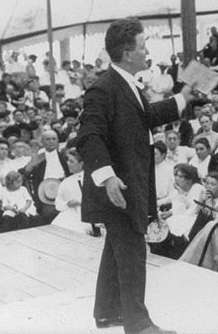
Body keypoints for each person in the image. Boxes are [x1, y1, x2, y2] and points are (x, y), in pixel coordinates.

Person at [77, 18, 195, 334]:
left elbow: (149, 116)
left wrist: (184, 97)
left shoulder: (127, 83)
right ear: (128, 53)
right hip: (118, 187)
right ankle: (139, 325)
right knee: (131, 250)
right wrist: (108, 176)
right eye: (143, 46)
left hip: (126, 185)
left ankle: (107, 312)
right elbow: (89, 135)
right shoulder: (103, 89)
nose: (147, 53)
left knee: (118, 247)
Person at [52, 148, 94, 235]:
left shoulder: (91, 178)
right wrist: (68, 204)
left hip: (88, 214)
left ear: (81, 163)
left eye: (72, 161)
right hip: (70, 213)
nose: (68, 163)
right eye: (68, 160)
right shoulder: (65, 182)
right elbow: (58, 204)